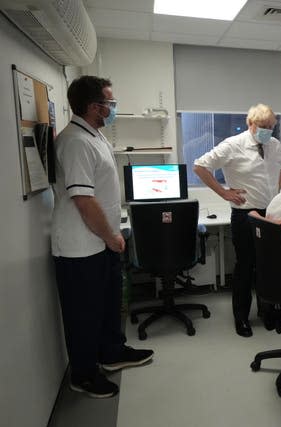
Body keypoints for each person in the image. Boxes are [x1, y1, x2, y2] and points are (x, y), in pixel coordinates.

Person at [51, 76, 153, 399]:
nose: (113, 108)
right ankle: (83, 375)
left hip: (103, 241)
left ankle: (113, 353)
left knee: (108, 305)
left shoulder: (94, 136)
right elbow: (83, 200)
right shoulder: (75, 142)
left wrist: (112, 235)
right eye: (110, 102)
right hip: (81, 248)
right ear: (95, 107)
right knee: (84, 314)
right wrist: (111, 236)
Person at [194, 104, 281, 338]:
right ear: (250, 124)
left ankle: (266, 312)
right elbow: (200, 166)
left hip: (269, 213)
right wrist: (224, 193)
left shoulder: (274, 145)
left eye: (271, 127)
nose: (268, 131)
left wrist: (276, 191)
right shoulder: (233, 144)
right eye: (263, 127)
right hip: (244, 214)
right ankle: (241, 318)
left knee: (267, 266)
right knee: (245, 266)